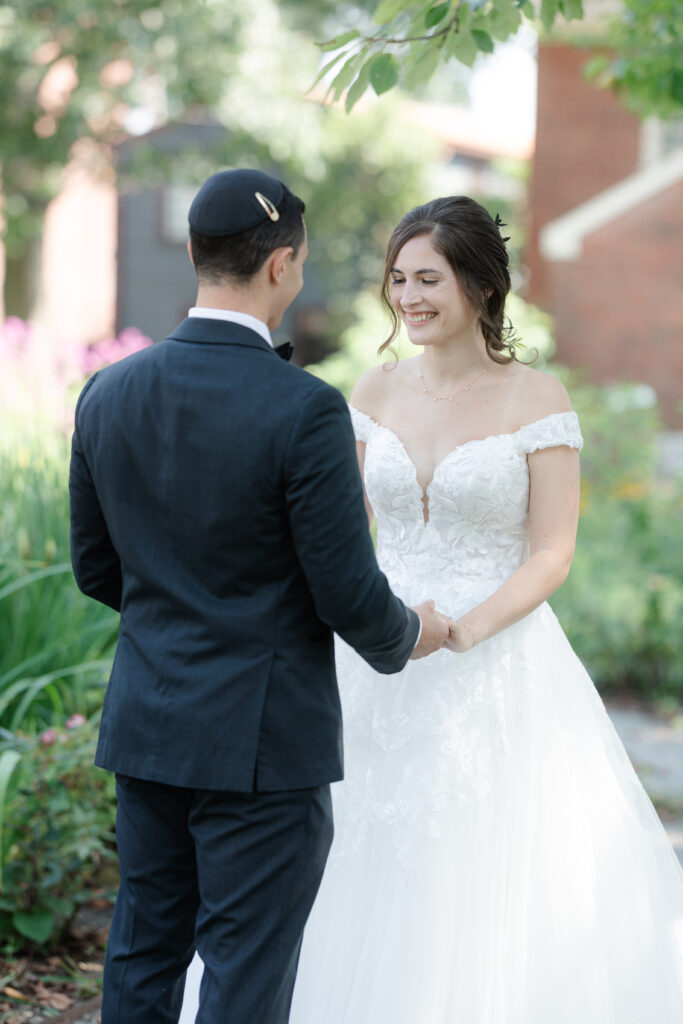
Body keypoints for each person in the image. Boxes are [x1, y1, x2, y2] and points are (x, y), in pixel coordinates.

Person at [68, 168, 452, 1024]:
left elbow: (97, 569)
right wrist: (409, 634)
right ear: (280, 265)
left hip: (147, 728)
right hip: (261, 747)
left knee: (141, 951)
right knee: (245, 975)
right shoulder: (304, 410)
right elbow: (346, 591)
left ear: (202, 255)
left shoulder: (108, 392)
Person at [287, 196, 683, 1023]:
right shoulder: (372, 388)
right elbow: (337, 532)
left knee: (476, 868)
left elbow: (551, 552)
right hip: (369, 654)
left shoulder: (534, 400)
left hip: (492, 663)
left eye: (427, 277)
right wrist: (376, 626)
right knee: (347, 848)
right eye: (397, 279)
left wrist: (460, 631)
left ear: (477, 282)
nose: (408, 297)